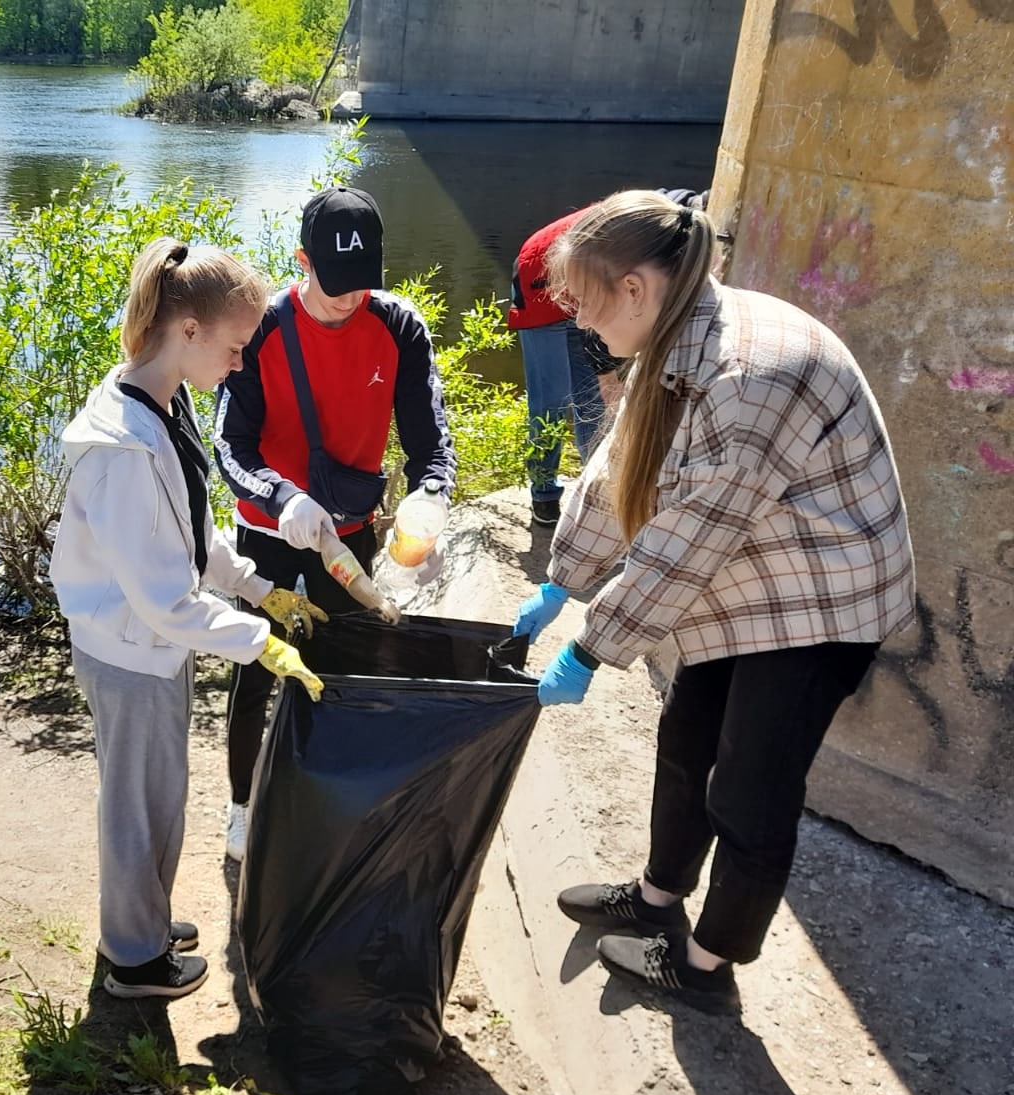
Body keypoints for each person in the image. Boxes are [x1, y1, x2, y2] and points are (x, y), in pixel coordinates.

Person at [513, 190, 915, 1014]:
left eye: (586, 304)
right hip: (755, 570)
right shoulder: (675, 335)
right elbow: (621, 466)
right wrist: (565, 577)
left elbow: (686, 544)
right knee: (687, 736)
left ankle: (705, 966)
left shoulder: (748, 375)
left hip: (823, 601)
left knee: (751, 785)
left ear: (634, 289)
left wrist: (592, 646)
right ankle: (659, 897)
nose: (582, 326)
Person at [51, 238, 329, 1001]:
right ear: (189, 329)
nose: (240, 365)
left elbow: (189, 536)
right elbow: (163, 601)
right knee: (139, 809)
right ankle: (134, 960)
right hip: (130, 651)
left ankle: (141, 918)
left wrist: (255, 585)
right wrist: (261, 642)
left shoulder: (162, 405)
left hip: (151, 649)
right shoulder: (120, 447)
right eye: (237, 348)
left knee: (159, 795)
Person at [213, 185, 456, 862]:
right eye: (333, 283)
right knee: (257, 663)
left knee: (338, 666)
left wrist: (433, 497)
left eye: (362, 283)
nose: (349, 299)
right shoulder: (260, 327)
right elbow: (230, 444)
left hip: (349, 532)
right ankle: (240, 802)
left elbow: (430, 438)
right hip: (269, 528)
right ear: (301, 260)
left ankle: (322, 796)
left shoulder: (399, 326)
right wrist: (281, 498)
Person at [509, 188, 707, 528]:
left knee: (592, 402)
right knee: (550, 400)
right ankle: (544, 494)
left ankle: (601, 492)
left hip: (588, 280)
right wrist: (607, 371)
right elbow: (606, 312)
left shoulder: (666, 230)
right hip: (539, 279)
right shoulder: (641, 231)